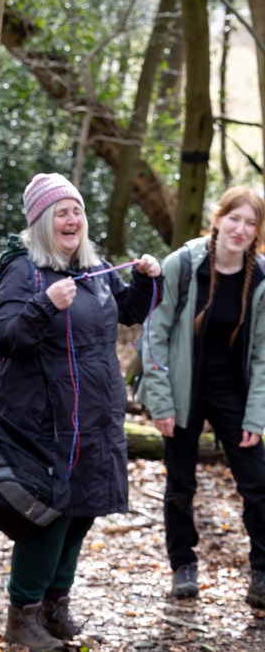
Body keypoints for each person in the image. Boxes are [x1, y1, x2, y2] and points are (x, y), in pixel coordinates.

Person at [0, 173, 161, 650]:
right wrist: (43, 306)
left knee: (84, 509)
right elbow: (5, 338)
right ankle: (21, 616)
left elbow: (125, 311)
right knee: (48, 516)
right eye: (61, 212)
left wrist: (147, 282)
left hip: (97, 418)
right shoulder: (25, 272)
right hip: (45, 422)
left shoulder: (95, 267)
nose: (72, 219)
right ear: (41, 222)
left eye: (77, 210)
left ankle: (54, 606)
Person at [137, 185, 265, 608]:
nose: (240, 229)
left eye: (250, 223)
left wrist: (256, 416)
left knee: (258, 484)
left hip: (234, 392)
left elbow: (263, 355)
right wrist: (160, 401)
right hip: (182, 389)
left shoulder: (261, 278)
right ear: (218, 217)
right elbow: (154, 334)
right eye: (235, 218)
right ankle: (183, 566)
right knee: (180, 484)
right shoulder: (184, 264)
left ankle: (261, 574)